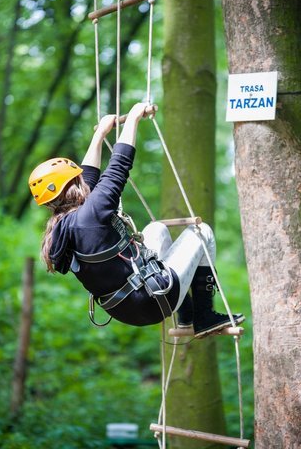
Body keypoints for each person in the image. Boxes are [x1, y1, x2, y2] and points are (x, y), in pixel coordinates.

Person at [28, 103, 244, 337]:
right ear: (74, 184)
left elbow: (88, 176)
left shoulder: (66, 224)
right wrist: (133, 118)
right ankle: (204, 316)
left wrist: (100, 135)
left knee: (157, 229)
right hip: (152, 301)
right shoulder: (92, 212)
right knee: (202, 232)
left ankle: (186, 316)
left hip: (127, 307)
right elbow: (119, 164)